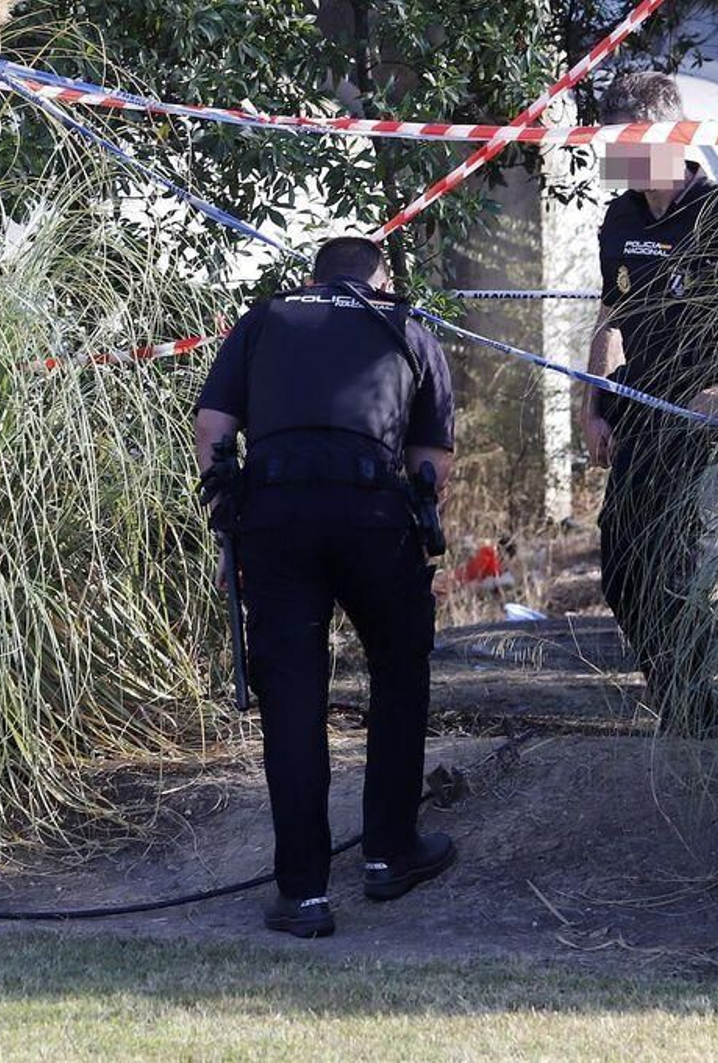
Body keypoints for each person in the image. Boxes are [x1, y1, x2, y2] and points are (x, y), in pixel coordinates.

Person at [193, 237, 457, 938]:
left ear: (313, 278)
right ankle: (389, 854)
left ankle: (304, 892)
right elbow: (432, 460)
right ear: (380, 278)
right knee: (399, 672)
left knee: (292, 697)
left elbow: (214, 427)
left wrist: (230, 531)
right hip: (374, 515)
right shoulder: (406, 325)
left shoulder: (264, 318)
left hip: (276, 518)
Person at [579, 72, 718, 736]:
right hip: (642, 419)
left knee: (683, 571)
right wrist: (594, 406)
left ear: (670, 135)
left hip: (713, 429)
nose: (615, 155)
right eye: (609, 141)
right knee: (623, 571)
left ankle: (712, 714)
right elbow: (612, 316)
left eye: (627, 141)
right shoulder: (621, 220)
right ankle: (690, 708)